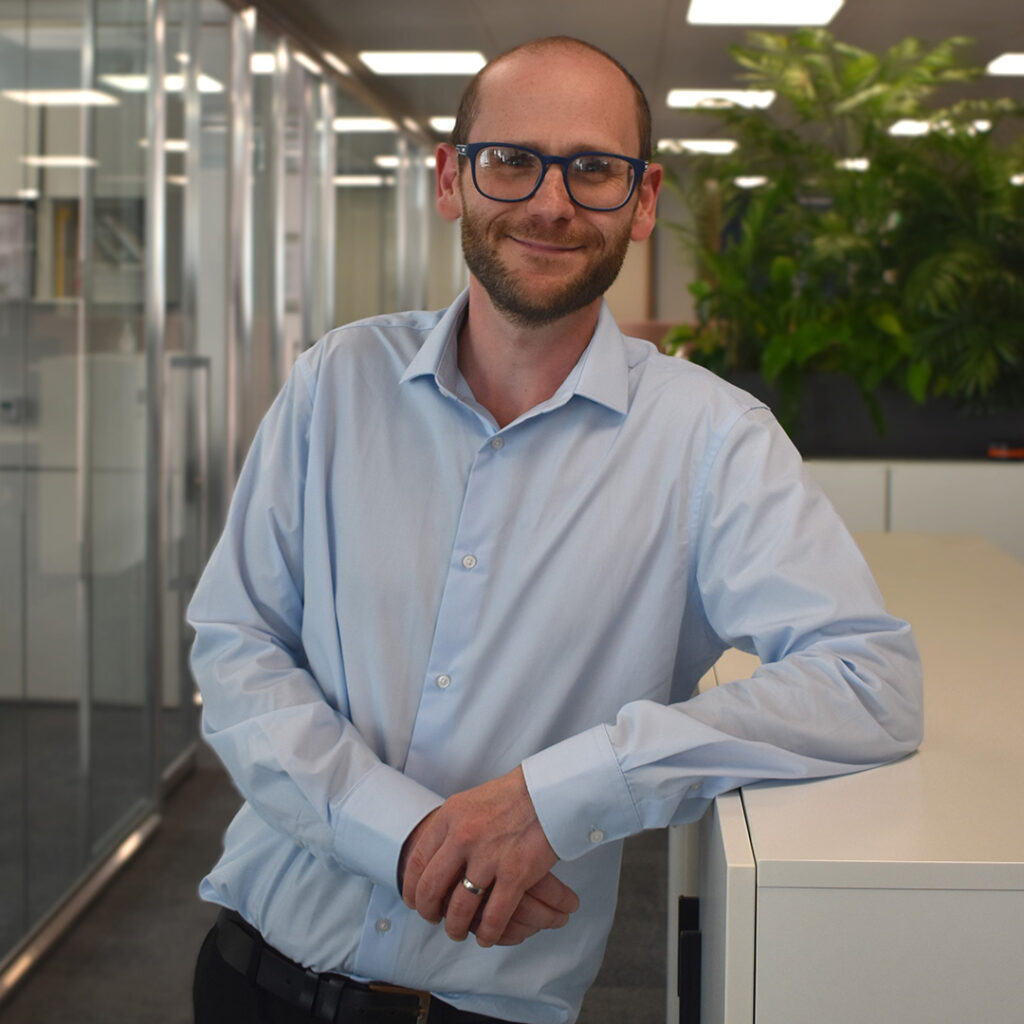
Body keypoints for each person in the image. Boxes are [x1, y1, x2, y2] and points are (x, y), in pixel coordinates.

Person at [188, 35, 923, 1024]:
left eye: (593, 169)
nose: (549, 202)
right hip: (252, 976)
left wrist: (561, 792)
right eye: (511, 160)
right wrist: (399, 835)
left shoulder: (710, 439)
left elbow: (866, 682)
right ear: (452, 179)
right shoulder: (337, 383)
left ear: (645, 198)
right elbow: (237, 644)